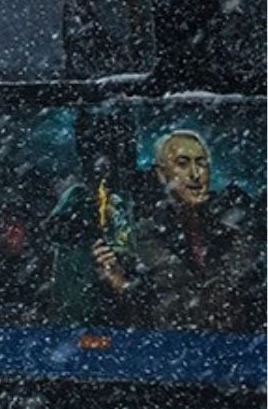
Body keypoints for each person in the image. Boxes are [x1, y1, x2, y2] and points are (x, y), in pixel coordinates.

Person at [60, 128, 264, 332]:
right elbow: (143, 315)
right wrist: (119, 283)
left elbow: (242, 297)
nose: (195, 174)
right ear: (160, 173)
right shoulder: (133, 231)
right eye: (182, 164)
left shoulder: (235, 223)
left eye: (201, 163)